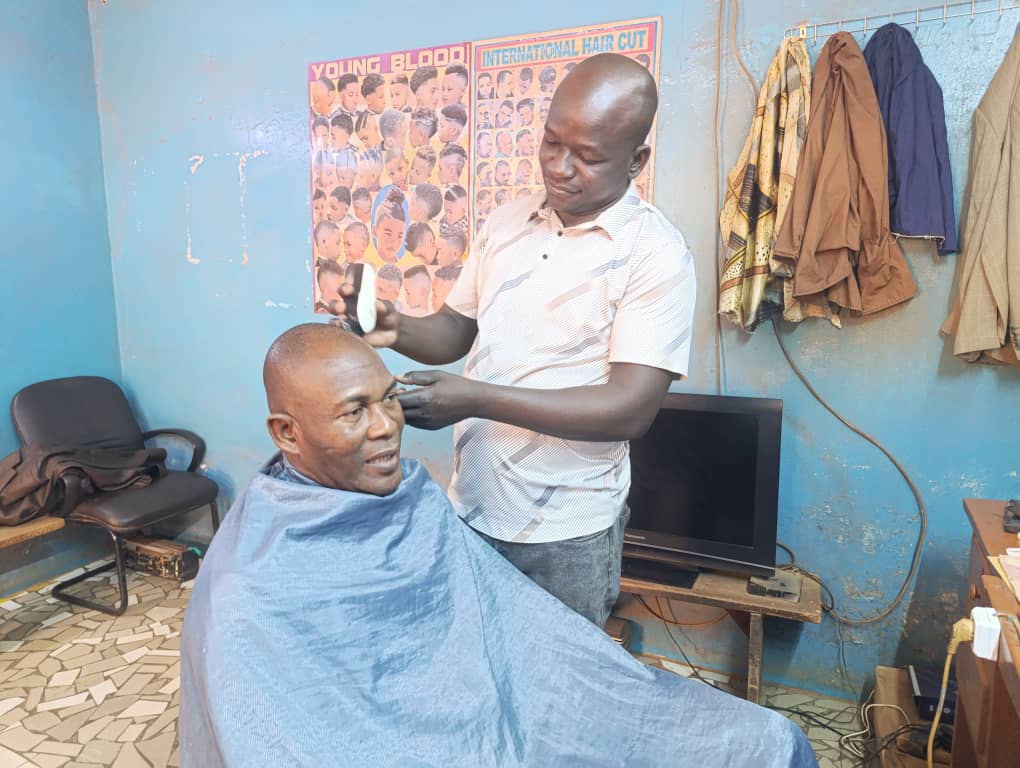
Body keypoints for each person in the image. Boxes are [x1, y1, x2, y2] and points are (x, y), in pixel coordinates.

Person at [180, 325, 816, 768]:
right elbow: (273, 736)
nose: (385, 429)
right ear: (287, 433)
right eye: (354, 412)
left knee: (758, 741)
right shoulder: (249, 587)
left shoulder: (412, 494)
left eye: (390, 400)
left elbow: (507, 631)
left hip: (492, 710)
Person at [335, 53, 696, 629]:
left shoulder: (656, 255)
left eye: (587, 156)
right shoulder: (506, 221)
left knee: (555, 674)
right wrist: (388, 324)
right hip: (474, 506)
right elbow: (455, 331)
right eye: (552, 143)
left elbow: (630, 409)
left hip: (567, 533)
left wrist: (475, 398)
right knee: (476, 657)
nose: (560, 167)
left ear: (636, 160)